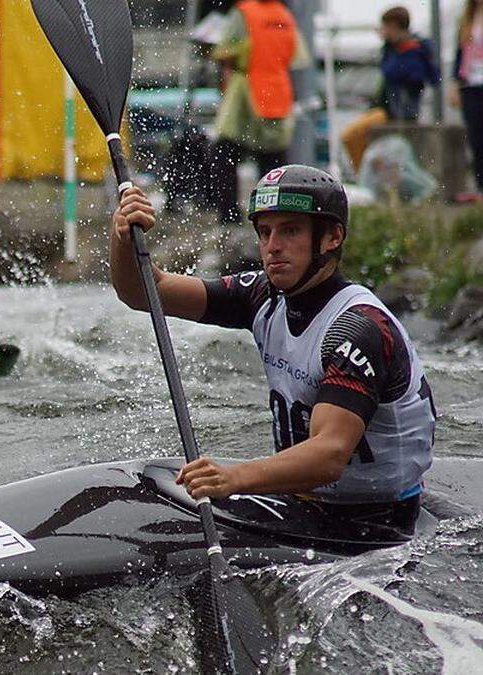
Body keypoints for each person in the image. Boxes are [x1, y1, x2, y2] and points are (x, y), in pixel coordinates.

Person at [110, 165, 435, 532]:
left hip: (377, 521)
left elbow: (330, 455)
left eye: (290, 230)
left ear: (332, 237)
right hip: (304, 503)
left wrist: (235, 478)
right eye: (265, 232)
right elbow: (144, 293)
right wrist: (123, 236)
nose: (272, 246)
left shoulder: (357, 328)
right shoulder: (261, 294)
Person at [209, 0, 311, 224]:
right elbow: (296, 55)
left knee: (224, 152)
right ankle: (272, 214)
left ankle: (229, 215)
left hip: (246, 91)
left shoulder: (244, 12)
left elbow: (227, 51)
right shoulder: (285, 15)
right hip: (277, 91)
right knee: (273, 163)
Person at [341, 7, 441, 172]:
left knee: (350, 135)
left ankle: (363, 172)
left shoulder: (414, 49)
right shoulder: (392, 49)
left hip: (396, 111)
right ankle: (365, 171)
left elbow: (400, 73)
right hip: (384, 108)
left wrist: (402, 50)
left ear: (394, 26)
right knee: (353, 137)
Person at [452, 0, 483, 197]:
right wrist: (455, 83)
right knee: (476, 138)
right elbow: (459, 54)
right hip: (471, 84)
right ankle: (480, 186)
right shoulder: (467, 20)